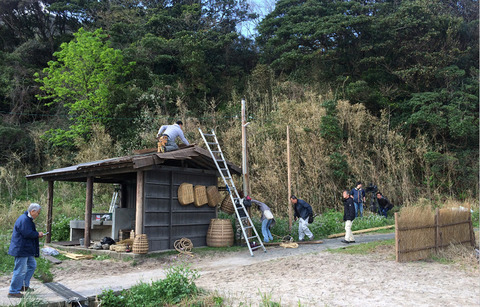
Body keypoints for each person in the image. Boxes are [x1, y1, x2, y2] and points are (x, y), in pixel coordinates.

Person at [8, 203, 44, 298]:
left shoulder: (27, 219)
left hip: (25, 249)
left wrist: (36, 234)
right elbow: (27, 233)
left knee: (32, 265)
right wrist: (37, 234)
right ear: (32, 211)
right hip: (21, 249)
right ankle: (13, 291)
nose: (38, 215)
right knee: (20, 270)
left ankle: (23, 285)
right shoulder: (24, 220)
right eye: (38, 213)